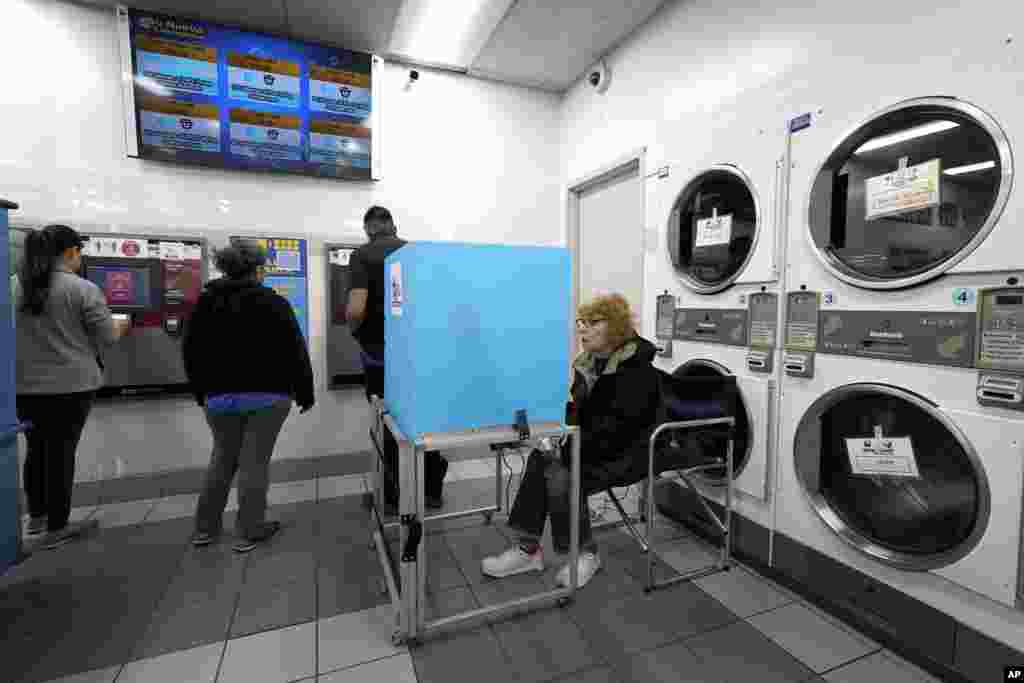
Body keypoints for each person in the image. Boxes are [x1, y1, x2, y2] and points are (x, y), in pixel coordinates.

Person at [481, 293, 661, 588]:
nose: (583, 329)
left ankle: (585, 554)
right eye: (581, 322)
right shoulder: (589, 364)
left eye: (593, 323)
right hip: (594, 444)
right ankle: (528, 550)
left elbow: (621, 428)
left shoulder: (636, 370)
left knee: (560, 469)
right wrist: (554, 429)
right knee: (544, 457)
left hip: (628, 450)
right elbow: (580, 414)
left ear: (615, 326)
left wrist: (569, 445)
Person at [182, 240, 315, 553]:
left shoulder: (205, 301)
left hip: (218, 397)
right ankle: (251, 529)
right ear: (259, 268)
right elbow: (295, 351)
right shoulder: (273, 302)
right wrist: (305, 392)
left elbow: (191, 351)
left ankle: (205, 529)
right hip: (267, 397)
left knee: (222, 458)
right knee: (254, 462)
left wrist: (201, 391)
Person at [12, 224, 131, 550]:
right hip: (71, 386)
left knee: (36, 450)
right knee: (61, 453)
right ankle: (58, 526)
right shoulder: (81, 289)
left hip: (22, 386)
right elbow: (106, 337)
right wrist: (121, 325)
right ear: (71, 252)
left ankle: (36, 516)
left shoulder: (13, 286)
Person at [346, 206, 448, 509]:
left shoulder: (362, 255)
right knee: (422, 420)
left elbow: (355, 309)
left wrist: (356, 332)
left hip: (380, 356)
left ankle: (393, 495)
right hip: (420, 354)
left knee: (388, 423)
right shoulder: (416, 253)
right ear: (393, 226)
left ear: (368, 229)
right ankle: (430, 490)